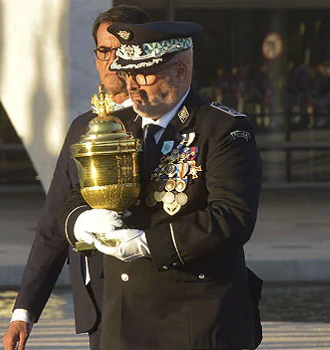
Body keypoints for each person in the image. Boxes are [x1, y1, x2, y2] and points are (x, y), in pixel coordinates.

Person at [60, 21, 264, 350]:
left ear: (180, 72)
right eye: (127, 76)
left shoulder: (222, 129)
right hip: (125, 320)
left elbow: (232, 217)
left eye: (143, 76)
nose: (132, 87)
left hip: (193, 320)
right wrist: (83, 221)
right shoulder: (116, 126)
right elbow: (74, 193)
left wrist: (148, 243)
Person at [2, 5, 151, 350]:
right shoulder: (82, 128)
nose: (112, 60)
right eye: (104, 50)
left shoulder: (159, 123)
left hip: (153, 298)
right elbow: (53, 224)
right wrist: (24, 311)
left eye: (121, 50)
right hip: (99, 301)